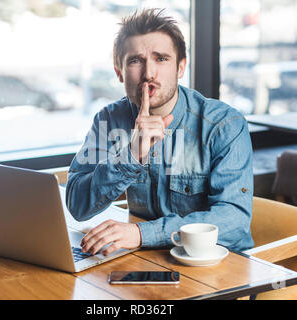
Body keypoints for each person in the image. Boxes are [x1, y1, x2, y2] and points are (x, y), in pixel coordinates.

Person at [66, 8, 254, 257]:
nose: (148, 74)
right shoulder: (110, 120)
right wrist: (131, 155)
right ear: (119, 72)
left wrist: (142, 234)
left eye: (161, 59)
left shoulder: (224, 124)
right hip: (146, 262)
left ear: (180, 68)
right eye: (135, 61)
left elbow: (234, 220)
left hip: (217, 266)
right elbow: (78, 206)